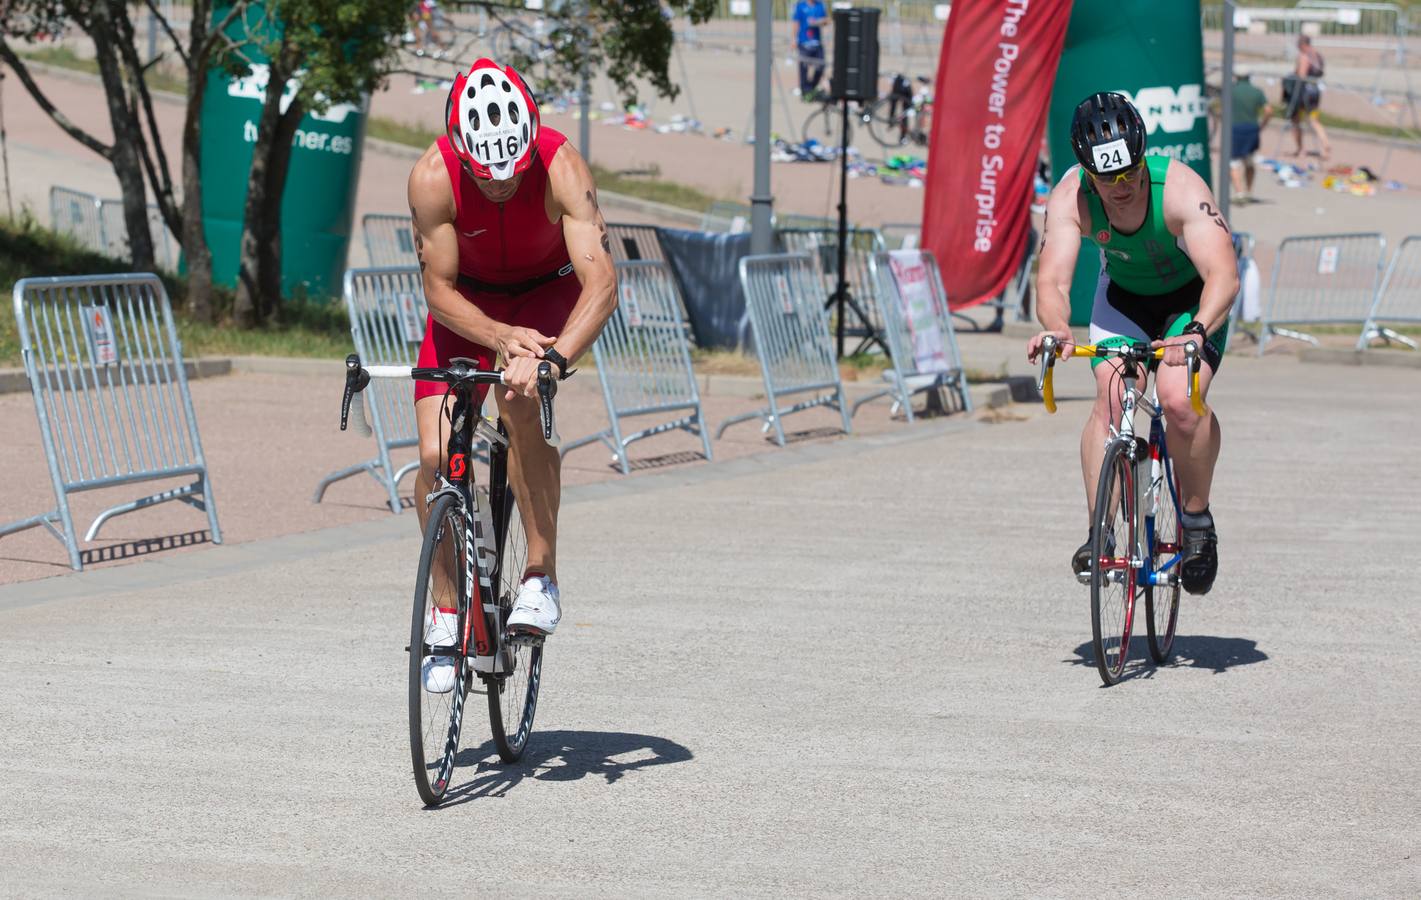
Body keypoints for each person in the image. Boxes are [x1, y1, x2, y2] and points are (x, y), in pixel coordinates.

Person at [407, 58, 616, 690]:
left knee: (523, 405)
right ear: (462, 154)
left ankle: (540, 576)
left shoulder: (560, 164)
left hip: (546, 295)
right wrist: (498, 338)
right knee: (434, 452)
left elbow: (601, 283)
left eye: (510, 174)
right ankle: (447, 610)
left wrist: (549, 361)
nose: (499, 186)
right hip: (468, 307)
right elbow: (437, 290)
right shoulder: (433, 177)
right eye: (485, 176)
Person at [1027, 92, 1239, 596]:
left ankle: (1196, 521)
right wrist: (1058, 328)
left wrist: (1195, 332)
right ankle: (1099, 531)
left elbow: (1223, 275)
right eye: (1107, 178)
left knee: (1176, 400)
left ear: (1143, 158)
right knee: (1112, 395)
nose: (1121, 188)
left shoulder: (1180, 188)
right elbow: (1052, 282)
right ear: (1087, 172)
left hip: (1192, 302)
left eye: (1130, 173)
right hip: (1123, 300)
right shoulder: (1070, 196)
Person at [1283, 34, 1330, 159]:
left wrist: (1292, 76)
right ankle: (1325, 144)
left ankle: (1300, 149)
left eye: (1298, 45)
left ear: (1303, 44)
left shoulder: (1304, 56)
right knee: (1314, 120)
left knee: (1296, 119)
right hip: (1315, 91)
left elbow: (1301, 75)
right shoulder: (1317, 55)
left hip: (1304, 93)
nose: (1297, 47)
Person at [1230, 67, 1273, 203]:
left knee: (1234, 162)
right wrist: (1262, 125)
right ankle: (1248, 191)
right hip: (1252, 129)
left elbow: (1221, 109)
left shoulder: (1231, 91)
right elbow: (1268, 110)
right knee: (1249, 161)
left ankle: (1239, 192)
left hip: (1235, 129)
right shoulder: (1257, 92)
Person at [793, 0, 829, 101]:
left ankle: (812, 88)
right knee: (804, 68)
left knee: (820, 67)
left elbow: (826, 20)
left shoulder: (820, 5)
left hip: (816, 43)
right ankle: (805, 91)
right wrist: (794, 39)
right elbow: (796, 22)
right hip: (804, 42)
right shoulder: (801, 6)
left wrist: (820, 21)